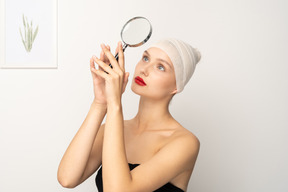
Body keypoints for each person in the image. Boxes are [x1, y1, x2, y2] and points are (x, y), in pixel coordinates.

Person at [57, 38, 201, 192]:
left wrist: (114, 103)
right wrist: (100, 103)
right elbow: (67, 178)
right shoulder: (113, 129)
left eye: (160, 67)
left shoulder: (185, 143)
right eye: (145, 58)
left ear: (176, 87)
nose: (144, 69)